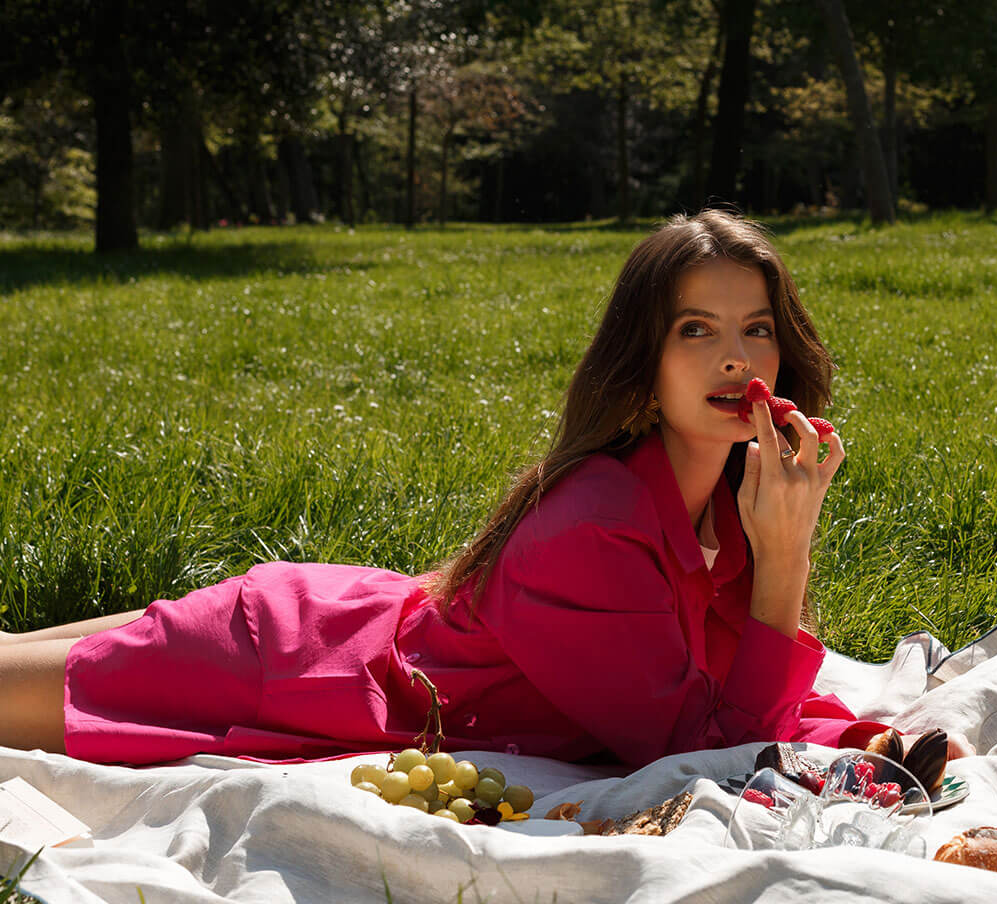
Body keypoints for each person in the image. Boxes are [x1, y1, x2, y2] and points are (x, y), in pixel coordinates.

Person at [0, 210, 907, 767]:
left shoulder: (732, 504)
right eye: (696, 331)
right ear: (645, 361)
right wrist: (788, 558)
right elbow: (700, 749)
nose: (737, 358)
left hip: (344, 623)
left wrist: (851, 737)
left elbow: (730, 691)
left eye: (756, 328)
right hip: (290, 672)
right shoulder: (596, 522)